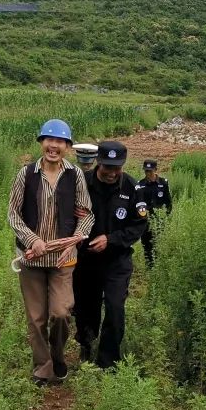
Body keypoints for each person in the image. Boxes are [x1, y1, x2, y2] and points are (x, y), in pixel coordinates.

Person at [8, 119, 95, 384]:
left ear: (67, 146)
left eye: (59, 142)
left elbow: (86, 214)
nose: (53, 146)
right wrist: (32, 239)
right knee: (36, 318)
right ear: (41, 143)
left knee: (60, 313)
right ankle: (42, 368)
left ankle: (57, 355)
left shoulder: (75, 175)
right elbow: (13, 214)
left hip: (63, 258)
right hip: (31, 259)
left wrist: (73, 240)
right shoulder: (26, 174)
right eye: (49, 140)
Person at [74, 141, 148, 368]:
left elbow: (139, 225)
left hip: (117, 260)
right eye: (108, 167)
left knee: (115, 308)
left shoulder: (132, 188)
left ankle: (107, 362)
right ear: (98, 162)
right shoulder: (82, 184)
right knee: (86, 307)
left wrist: (111, 240)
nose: (112, 173)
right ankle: (86, 344)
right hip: (86, 259)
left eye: (117, 168)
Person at [136, 159, 172, 265]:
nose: (148, 173)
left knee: (158, 242)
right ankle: (149, 265)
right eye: (146, 171)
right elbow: (139, 204)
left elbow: (168, 202)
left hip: (159, 219)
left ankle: (158, 264)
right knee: (146, 243)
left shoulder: (163, 183)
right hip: (146, 219)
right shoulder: (140, 185)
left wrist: (167, 216)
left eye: (150, 171)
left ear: (156, 170)